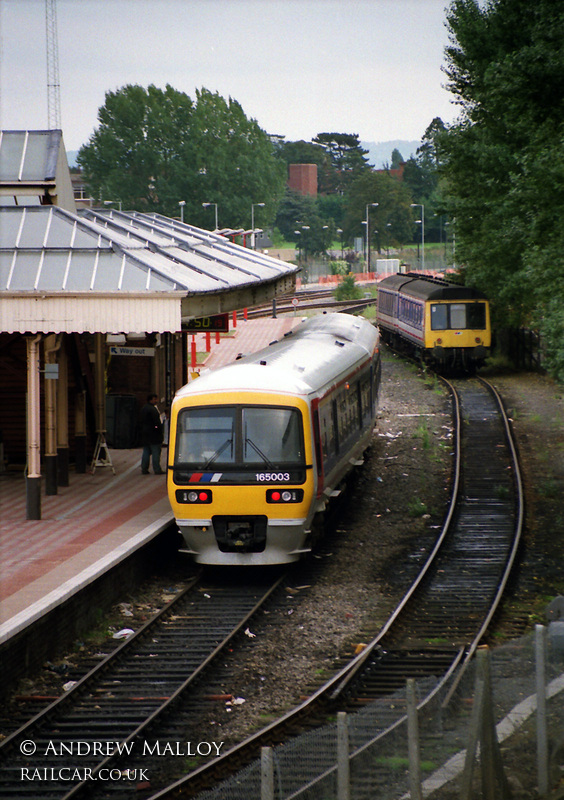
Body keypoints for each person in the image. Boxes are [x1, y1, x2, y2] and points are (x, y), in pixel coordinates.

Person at [140, 394, 164, 474]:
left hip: (145, 433)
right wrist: (158, 429)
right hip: (154, 434)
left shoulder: (144, 409)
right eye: (154, 399)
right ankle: (157, 469)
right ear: (150, 400)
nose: (156, 401)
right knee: (156, 452)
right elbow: (157, 423)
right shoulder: (153, 410)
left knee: (146, 451)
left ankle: (144, 468)